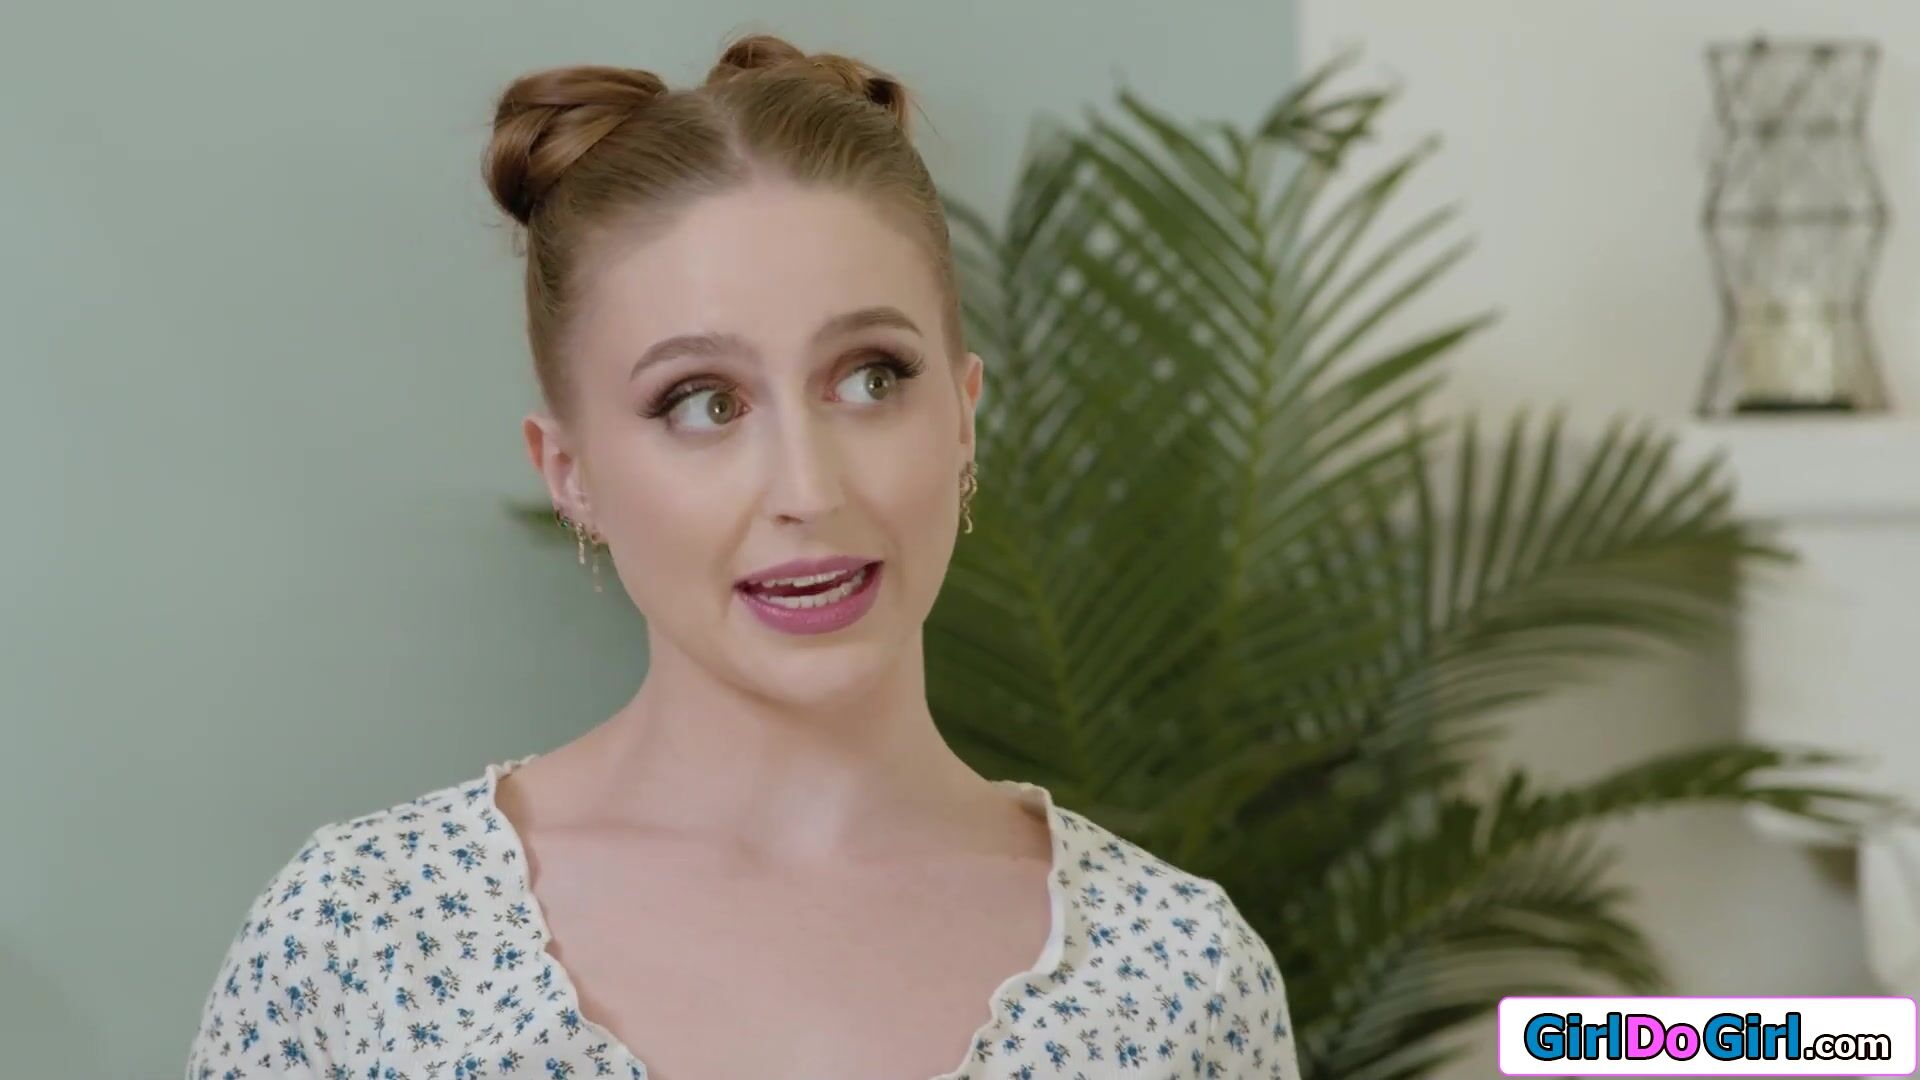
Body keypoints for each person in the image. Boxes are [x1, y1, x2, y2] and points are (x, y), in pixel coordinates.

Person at [184, 31, 1300, 1080]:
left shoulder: (1176, 978)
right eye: (702, 402)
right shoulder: (361, 937)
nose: (809, 490)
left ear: (963, 417)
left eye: (870, 378)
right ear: (570, 472)